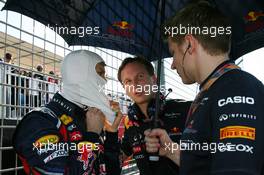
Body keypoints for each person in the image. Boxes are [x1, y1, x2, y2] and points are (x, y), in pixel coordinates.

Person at [144, 1, 264, 175]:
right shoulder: (216, 90)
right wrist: (172, 151)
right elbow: (208, 163)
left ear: (189, 45)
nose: (172, 65)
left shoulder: (236, 91)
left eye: (173, 53)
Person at [13, 50, 123, 175]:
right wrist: (91, 136)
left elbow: (113, 171)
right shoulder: (39, 121)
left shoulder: (93, 117)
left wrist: (111, 134)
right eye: (100, 73)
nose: (105, 80)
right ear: (78, 75)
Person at [117, 56, 191, 175]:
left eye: (140, 77)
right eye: (128, 81)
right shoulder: (130, 123)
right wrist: (109, 132)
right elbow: (116, 162)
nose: (135, 85)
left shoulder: (187, 110)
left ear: (154, 79)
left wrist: (172, 151)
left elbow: (212, 163)